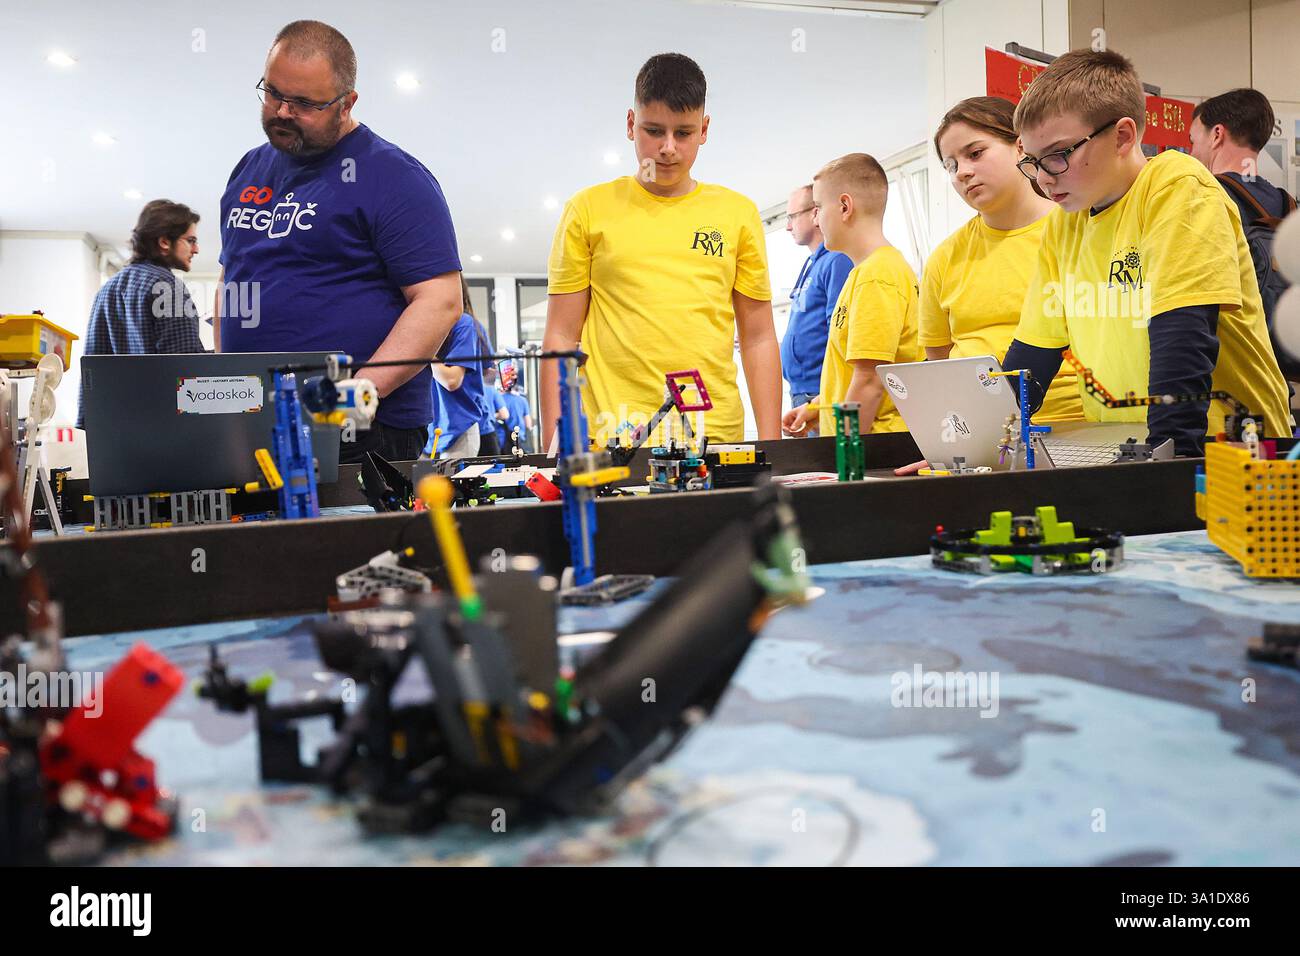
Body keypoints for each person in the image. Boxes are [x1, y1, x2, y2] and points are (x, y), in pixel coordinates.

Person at [1004, 49, 1291, 455]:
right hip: (1126, 443)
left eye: (1057, 156)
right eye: (1032, 162)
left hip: (1224, 443)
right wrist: (978, 437)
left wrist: (1168, 462)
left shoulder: (1179, 187)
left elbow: (1184, 337)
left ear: (1122, 135)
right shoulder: (1065, 222)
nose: (1043, 178)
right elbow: (1035, 354)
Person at [216, 19, 462, 464]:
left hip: (364, 428)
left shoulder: (395, 177)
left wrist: (361, 391)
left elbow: (440, 300)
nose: (283, 112)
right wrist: (221, 376)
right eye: (273, 93)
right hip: (251, 416)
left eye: (305, 103)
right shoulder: (247, 170)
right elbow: (231, 276)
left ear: (347, 103)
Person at [541, 52, 780, 450]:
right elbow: (562, 334)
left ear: (704, 130)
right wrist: (553, 446)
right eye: (654, 130)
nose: (668, 148)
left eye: (684, 133)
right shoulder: (587, 209)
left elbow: (758, 337)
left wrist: (774, 448)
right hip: (613, 436)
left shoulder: (738, 213)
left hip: (713, 435)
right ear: (631, 124)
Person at [923, 96, 1082, 422]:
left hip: (1078, 427)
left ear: (1021, 147)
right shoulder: (944, 259)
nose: (963, 172)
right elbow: (937, 366)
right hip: (982, 435)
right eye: (951, 165)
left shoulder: (1079, 231)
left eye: (975, 153)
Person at [782, 153, 922, 439]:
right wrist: (817, 408)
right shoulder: (863, 273)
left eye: (819, 207)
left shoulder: (877, 275)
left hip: (876, 448)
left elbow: (870, 381)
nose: (817, 218)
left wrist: (843, 459)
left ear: (845, 206)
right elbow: (852, 372)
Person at [1190, 87, 1298, 376]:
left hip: (1226, 374)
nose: (1191, 152)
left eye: (1192, 140)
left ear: (1216, 135)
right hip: (1276, 375)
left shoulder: (1205, 197)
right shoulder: (1287, 203)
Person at [76, 200, 206, 428]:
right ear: (164, 242)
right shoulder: (168, 287)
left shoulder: (108, 289)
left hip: (114, 427)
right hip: (162, 426)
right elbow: (185, 370)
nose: (196, 249)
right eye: (191, 240)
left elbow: (93, 369)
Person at [779, 184, 853, 437]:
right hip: (802, 392)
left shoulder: (837, 260)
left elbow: (840, 330)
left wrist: (822, 398)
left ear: (814, 214)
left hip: (820, 393)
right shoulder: (813, 263)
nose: (788, 226)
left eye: (791, 217)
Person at [428, 277, 492, 460]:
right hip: (433, 427)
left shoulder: (464, 324)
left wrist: (424, 352)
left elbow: (452, 380)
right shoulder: (431, 324)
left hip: (458, 426)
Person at [500, 364, 533, 454]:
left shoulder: (499, 398)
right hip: (519, 440)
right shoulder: (522, 400)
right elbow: (528, 424)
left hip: (502, 442)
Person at [478, 365, 502, 457]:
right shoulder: (491, 391)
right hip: (487, 433)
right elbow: (504, 414)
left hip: (469, 433)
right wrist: (493, 415)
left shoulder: (470, 389)